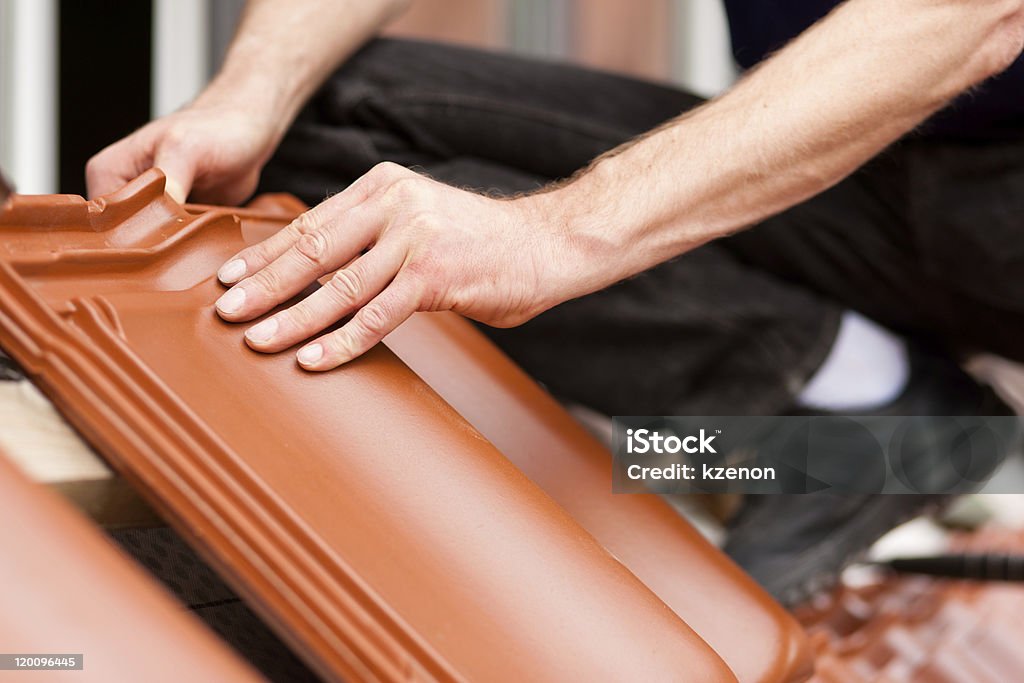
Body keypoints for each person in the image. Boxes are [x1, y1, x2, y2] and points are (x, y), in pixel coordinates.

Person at [87, 0, 1024, 605]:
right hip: (887, 156)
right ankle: (864, 414)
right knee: (325, 134)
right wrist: (247, 93)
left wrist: (551, 235)